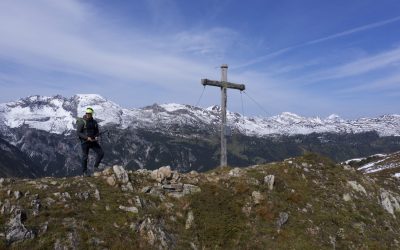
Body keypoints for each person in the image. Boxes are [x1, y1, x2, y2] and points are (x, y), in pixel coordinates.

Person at [76, 107, 104, 176]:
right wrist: (87, 137)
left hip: (93, 141)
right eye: (87, 113)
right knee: (85, 157)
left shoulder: (94, 122)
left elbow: (97, 131)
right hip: (85, 142)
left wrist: (96, 136)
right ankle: (84, 172)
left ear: (92, 114)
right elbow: (78, 132)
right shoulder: (82, 122)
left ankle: (96, 167)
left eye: (89, 113)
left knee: (101, 153)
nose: (88, 114)